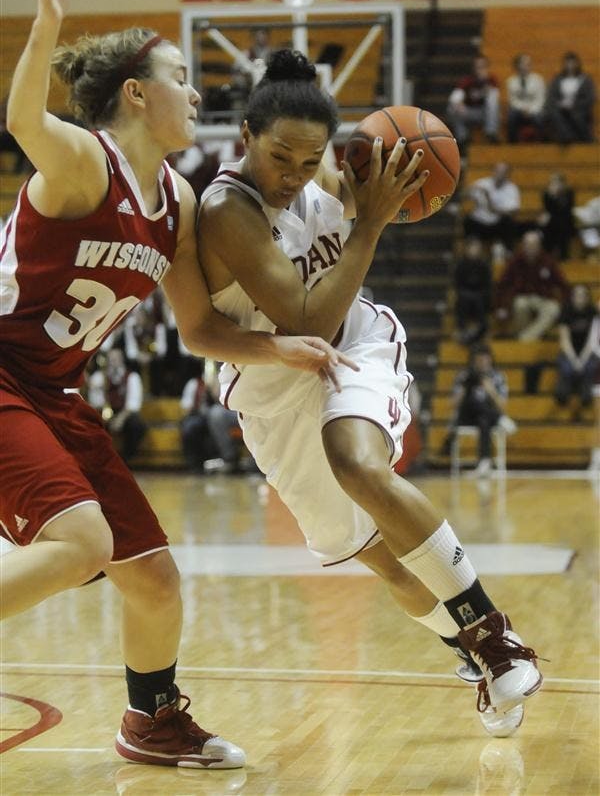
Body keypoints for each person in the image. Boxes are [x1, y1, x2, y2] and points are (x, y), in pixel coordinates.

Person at [0, 0, 358, 773]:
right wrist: (47, 21)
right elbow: (21, 116)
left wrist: (287, 350)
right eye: (181, 78)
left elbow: (199, 330)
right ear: (134, 94)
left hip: (53, 392)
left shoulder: (179, 206)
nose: (196, 95)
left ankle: (152, 720)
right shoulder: (84, 163)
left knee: (153, 573)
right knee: (83, 543)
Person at [196, 47, 543, 739]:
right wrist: (372, 222)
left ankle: (496, 634)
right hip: (271, 394)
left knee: (357, 461)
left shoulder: (322, 170)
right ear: (246, 140)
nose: (296, 175)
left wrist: (401, 184)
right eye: (280, 158)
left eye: (310, 159)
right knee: (382, 558)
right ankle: (471, 652)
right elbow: (301, 316)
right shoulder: (226, 209)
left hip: (351, 344)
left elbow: (327, 319)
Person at [447, 344, 515, 478]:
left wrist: (490, 390)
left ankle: (484, 462)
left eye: (485, 360)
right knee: (474, 402)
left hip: (484, 419)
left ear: (490, 360)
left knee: (483, 419)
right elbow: (453, 404)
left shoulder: (498, 377)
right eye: (479, 360)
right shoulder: (464, 376)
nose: (482, 363)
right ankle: (499, 419)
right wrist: (466, 388)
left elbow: (502, 406)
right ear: (473, 361)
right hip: (466, 416)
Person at [495, 230, 570, 342]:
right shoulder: (515, 261)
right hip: (522, 297)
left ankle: (524, 339)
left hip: (544, 298)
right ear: (523, 245)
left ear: (539, 245)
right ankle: (527, 338)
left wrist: (567, 305)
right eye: (528, 244)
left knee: (554, 309)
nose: (530, 247)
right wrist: (501, 306)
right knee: (520, 305)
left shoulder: (548, 261)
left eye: (533, 244)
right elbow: (502, 285)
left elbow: (562, 284)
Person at [554, 285, 600, 412]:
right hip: (569, 351)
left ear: (587, 297)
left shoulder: (592, 312)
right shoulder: (566, 311)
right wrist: (574, 359)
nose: (580, 298)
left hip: (587, 351)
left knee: (590, 367)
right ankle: (562, 396)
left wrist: (582, 360)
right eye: (577, 295)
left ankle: (586, 398)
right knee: (566, 367)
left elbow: (592, 339)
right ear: (572, 297)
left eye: (583, 295)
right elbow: (564, 340)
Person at [463, 161, 521, 257]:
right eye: (497, 171)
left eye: (503, 172)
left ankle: (508, 251)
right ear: (493, 171)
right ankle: (471, 249)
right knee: (467, 221)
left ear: (508, 174)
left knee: (510, 223)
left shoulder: (512, 189)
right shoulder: (482, 183)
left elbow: (513, 211)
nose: (500, 174)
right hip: (480, 222)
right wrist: (469, 190)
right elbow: (464, 196)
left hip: (497, 224)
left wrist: (490, 201)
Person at [446, 55, 501, 151]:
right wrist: (459, 104)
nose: (480, 70)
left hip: (485, 114)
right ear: (473, 68)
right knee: (452, 108)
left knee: (492, 98)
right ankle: (462, 138)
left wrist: (486, 86)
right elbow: (454, 98)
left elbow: (494, 99)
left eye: (482, 67)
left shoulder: (491, 80)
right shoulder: (467, 80)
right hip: (469, 112)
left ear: (487, 67)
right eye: (477, 67)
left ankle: (491, 132)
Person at [544, 51, 596, 145]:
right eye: (567, 63)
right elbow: (551, 97)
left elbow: (590, 98)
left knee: (576, 115)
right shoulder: (558, 79)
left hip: (579, 109)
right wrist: (560, 104)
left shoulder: (585, 79)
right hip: (561, 109)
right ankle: (566, 136)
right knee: (553, 112)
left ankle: (586, 139)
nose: (570, 65)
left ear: (577, 64)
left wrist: (574, 105)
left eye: (572, 63)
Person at [453, 236, 493, 345]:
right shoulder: (461, 265)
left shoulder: (484, 265)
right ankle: (462, 328)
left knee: (479, 300)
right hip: (465, 295)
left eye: (476, 248)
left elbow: (488, 284)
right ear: (466, 249)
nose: (474, 250)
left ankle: (481, 327)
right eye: (471, 247)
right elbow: (457, 284)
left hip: (481, 296)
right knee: (464, 298)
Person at [505, 53, 546, 144]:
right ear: (518, 65)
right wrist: (523, 109)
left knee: (540, 117)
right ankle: (513, 145)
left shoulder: (538, 79)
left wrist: (530, 110)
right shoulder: (511, 81)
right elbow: (513, 100)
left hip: (535, 110)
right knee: (511, 115)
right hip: (519, 111)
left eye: (528, 63)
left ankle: (541, 143)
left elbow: (541, 99)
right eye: (523, 63)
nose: (526, 66)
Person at [537, 171, 576, 261]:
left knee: (560, 223)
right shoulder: (546, 193)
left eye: (556, 181)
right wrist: (552, 197)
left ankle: (564, 255)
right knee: (546, 224)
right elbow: (548, 209)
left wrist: (557, 197)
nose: (554, 184)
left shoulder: (569, 193)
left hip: (565, 220)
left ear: (563, 183)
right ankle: (548, 253)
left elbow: (566, 210)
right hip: (552, 220)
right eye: (552, 182)